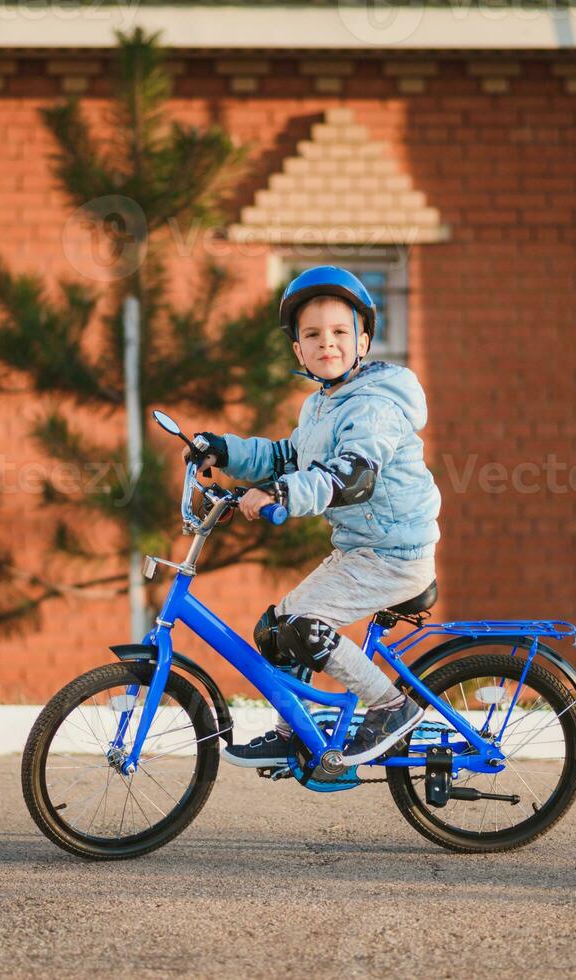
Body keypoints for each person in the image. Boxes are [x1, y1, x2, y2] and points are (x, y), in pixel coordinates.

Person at [193, 266, 441, 768]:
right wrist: (225, 451)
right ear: (298, 351)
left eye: (339, 332)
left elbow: (351, 476)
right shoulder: (320, 406)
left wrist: (281, 493)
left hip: (394, 556)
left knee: (306, 627)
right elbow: (287, 455)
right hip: (360, 552)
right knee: (275, 630)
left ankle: (392, 706)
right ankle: (294, 731)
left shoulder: (374, 407)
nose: (327, 343)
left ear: (364, 341)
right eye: (312, 335)